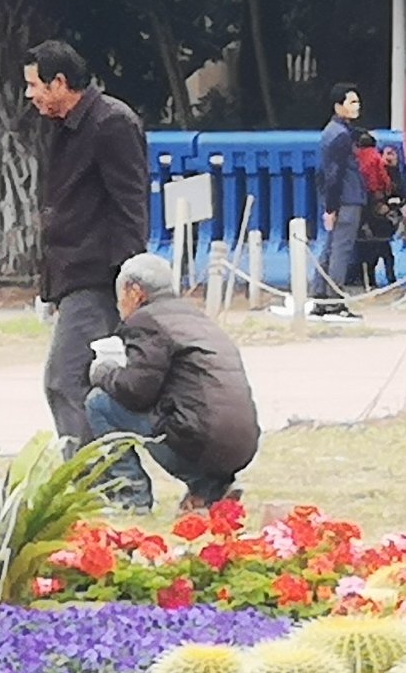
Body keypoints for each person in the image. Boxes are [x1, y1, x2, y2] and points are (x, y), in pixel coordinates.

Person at [26, 40, 153, 450]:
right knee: (83, 380)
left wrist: (128, 280)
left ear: (59, 83)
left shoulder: (111, 123)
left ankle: (92, 476)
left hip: (98, 275)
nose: (29, 95)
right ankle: (108, 472)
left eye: (34, 85)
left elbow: (130, 205)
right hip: (72, 273)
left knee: (65, 379)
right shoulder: (65, 126)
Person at [86, 251, 261, 513]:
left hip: (201, 440)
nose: (119, 304)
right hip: (242, 444)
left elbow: (136, 392)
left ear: (135, 292)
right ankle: (210, 489)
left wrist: (103, 372)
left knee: (99, 403)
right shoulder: (194, 318)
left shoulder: (147, 321)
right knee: (181, 414)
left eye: (120, 294)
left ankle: (131, 494)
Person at [311, 81, 367, 315]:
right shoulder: (341, 136)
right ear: (338, 106)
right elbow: (335, 173)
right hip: (347, 198)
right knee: (341, 250)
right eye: (351, 102)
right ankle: (335, 300)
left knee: (330, 248)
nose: (357, 106)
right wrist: (331, 207)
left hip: (339, 198)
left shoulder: (332, 131)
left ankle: (320, 295)